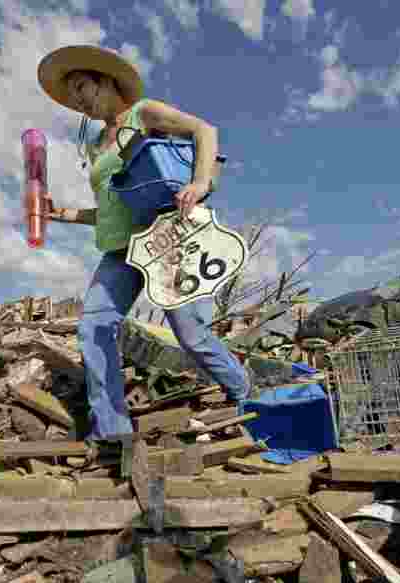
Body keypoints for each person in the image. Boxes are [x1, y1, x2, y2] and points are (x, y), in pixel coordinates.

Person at [36, 45, 251, 442]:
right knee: (94, 327)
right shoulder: (97, 143)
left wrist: (200, 182)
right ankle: (114, 436)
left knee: (191, 335)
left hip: (163, 242)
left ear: (106, 81)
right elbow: (110, 209)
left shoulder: (144, 113)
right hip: (119, 251)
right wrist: (67, 214)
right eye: (71, 96)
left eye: (82, 87)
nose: (77, 100)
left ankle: (244, 393)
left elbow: (204, 131)